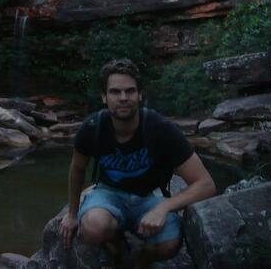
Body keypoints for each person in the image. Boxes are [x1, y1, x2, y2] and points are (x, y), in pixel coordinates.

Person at [59, 59, 216, 268]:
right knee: (93, 227)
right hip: (108, 193)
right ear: (104, 97)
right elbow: (77, 169)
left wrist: (163, 208)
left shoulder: (160, 128)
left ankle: (140, 262)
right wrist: (71, 214)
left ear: (140, 95)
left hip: (150, 197)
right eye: (115, 92)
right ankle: (117, 244)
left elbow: (206, 184)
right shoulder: (92, 127)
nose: (123, 98)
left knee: (170, 243)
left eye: (130, 91)